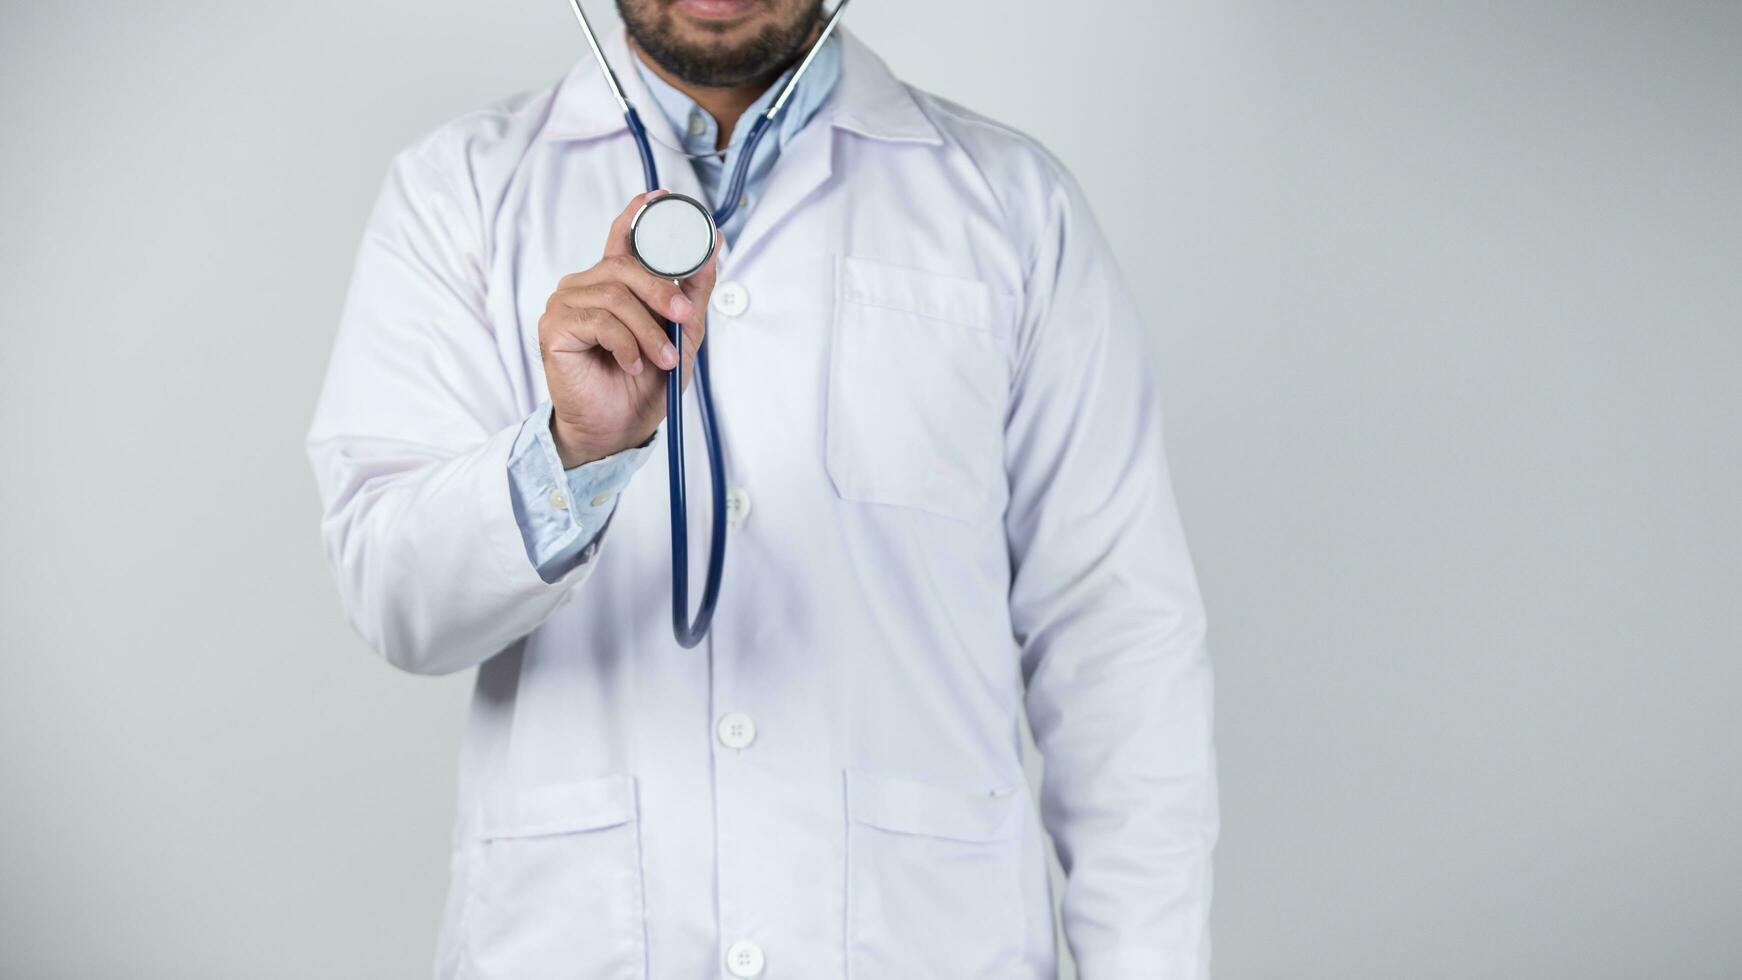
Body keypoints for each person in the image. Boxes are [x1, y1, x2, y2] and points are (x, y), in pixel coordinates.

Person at [306, 0, 1218, 976]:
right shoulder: (458, 193)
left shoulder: (1013, 209)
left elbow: (1117, 645)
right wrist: (570, 452)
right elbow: (396, 597)